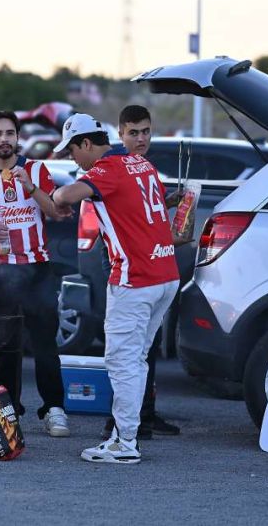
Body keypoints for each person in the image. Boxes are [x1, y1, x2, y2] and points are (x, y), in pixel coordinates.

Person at [52, 113, 180, 464]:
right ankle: (129, 433)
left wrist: (56, 190)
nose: (72, 160)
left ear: (87, 144)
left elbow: (65, 195)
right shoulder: (142, 163)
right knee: (136, 360)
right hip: (166, 273)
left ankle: (125, 442)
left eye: (72, 152)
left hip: (135, 278)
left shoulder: (105, 169)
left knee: (121, 361)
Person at [0, 110, 71, 438]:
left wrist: (31, 187)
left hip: (36, 268)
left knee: (44, 343)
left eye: (10, 133)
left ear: (18, 138)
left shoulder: (36, 169)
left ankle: (54, 408)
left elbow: (56, 211)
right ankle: (9, 410)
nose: (5, 139)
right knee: (5, 345)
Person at [98, 105, 182, 440]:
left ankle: (134, 425)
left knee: (136, 354)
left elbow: (150, 211)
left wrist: (172, 201)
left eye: (146, 131)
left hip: (151, 272)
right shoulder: (116, 166)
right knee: (130, 356)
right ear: (120, 134)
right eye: (133, 132)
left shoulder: (146, 166)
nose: (141, 138)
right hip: (136, 269)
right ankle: (124, 426)